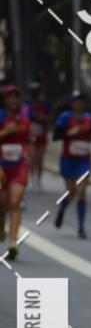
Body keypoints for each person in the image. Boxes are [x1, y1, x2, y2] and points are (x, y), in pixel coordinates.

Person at [53, 90, 91, 238]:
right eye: (76, 101)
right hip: (68, 159)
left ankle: (81, 227)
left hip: (83, 161)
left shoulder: (89, 118)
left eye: (81, 100)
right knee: (71, 192)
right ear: (72, 103)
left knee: (81, 192)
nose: (79, 103)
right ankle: (63, 208)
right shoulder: (65, 117)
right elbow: (56, 136)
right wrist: (69, 134)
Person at [0, 84, 31, 260]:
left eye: (16, 97)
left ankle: (13, 243)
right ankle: (1, 223)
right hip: (1, 165)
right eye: (9, 97)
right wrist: (6, 132)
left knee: (15, 202)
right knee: (2, 204)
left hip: (18, 165)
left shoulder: (25, 117)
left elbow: (28, 140)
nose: (13, 100)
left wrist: (27, 157)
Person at [26, 82, 51, 189]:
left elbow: (49, 118)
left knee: (40, 158)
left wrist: (42, 118)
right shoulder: (27, 104)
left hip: (42, 134)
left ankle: (39, 179)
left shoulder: (44, 104)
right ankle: (32, 179)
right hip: (31, 134)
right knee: (32, 157)